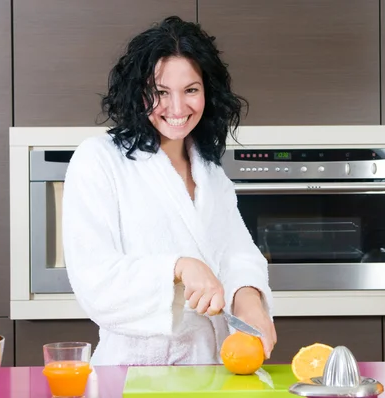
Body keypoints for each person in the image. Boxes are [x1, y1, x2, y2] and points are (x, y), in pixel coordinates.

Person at [62, 15, 276, 367]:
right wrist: (178, 267)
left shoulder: (209, 171)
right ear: (138, 92)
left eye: (191, 90)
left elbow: (238, 252)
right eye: (160, 93)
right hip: (131, 373)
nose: (178, 109)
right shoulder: (98, 159)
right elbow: (94, 279)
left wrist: (248, 298)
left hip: (211, 369)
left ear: (208, 91)